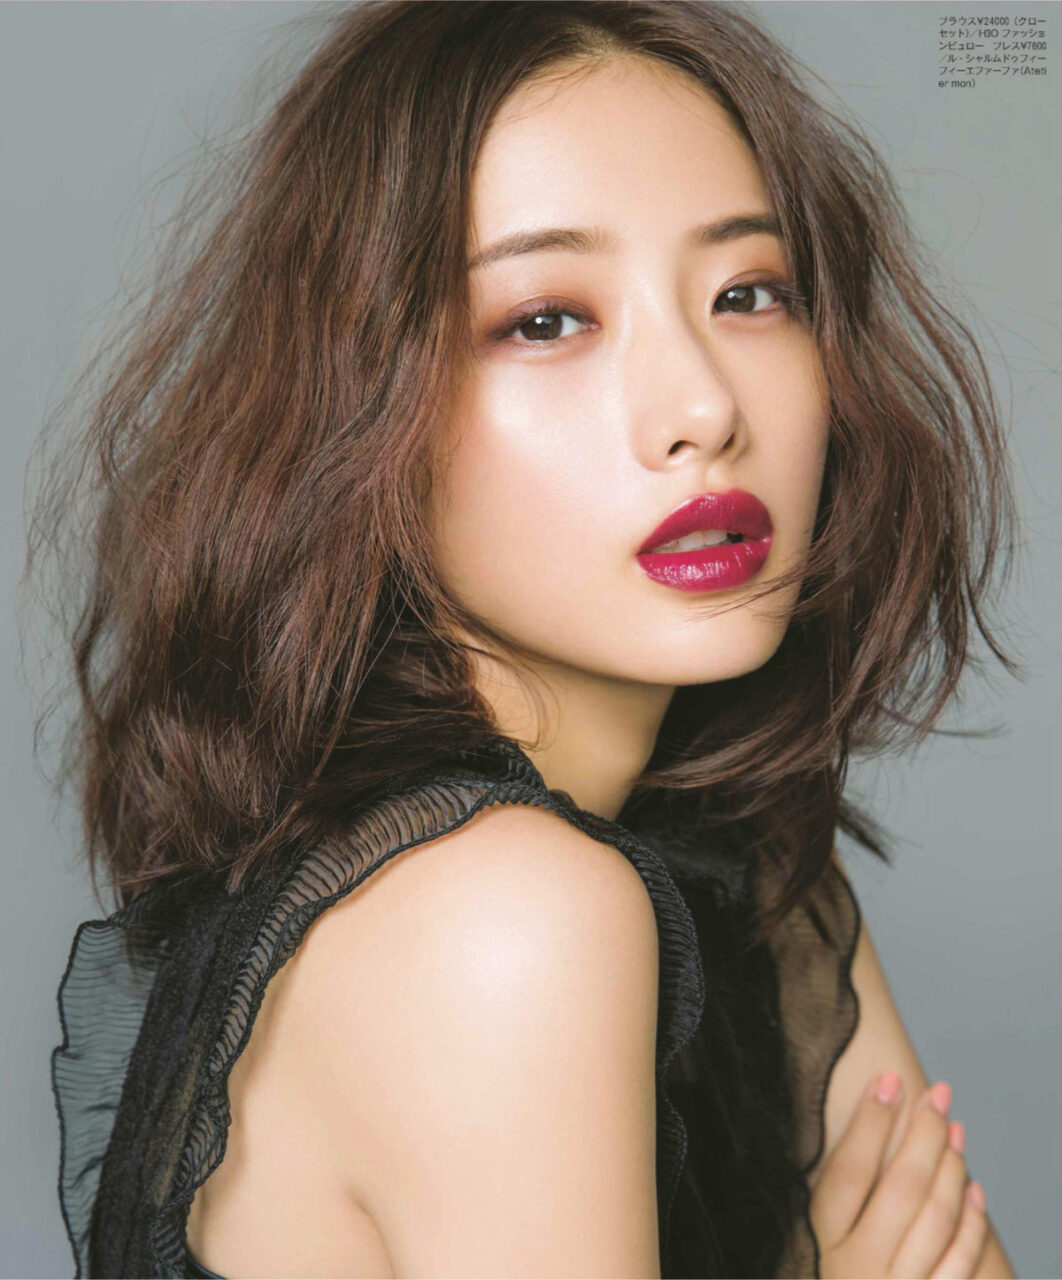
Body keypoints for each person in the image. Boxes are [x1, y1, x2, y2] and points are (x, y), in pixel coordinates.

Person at [35, 2, 1020, 1276]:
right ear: (359, 407)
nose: (703, 406)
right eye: (548, 319)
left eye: (748, 292)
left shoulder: (742, 870)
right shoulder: (507, 917)